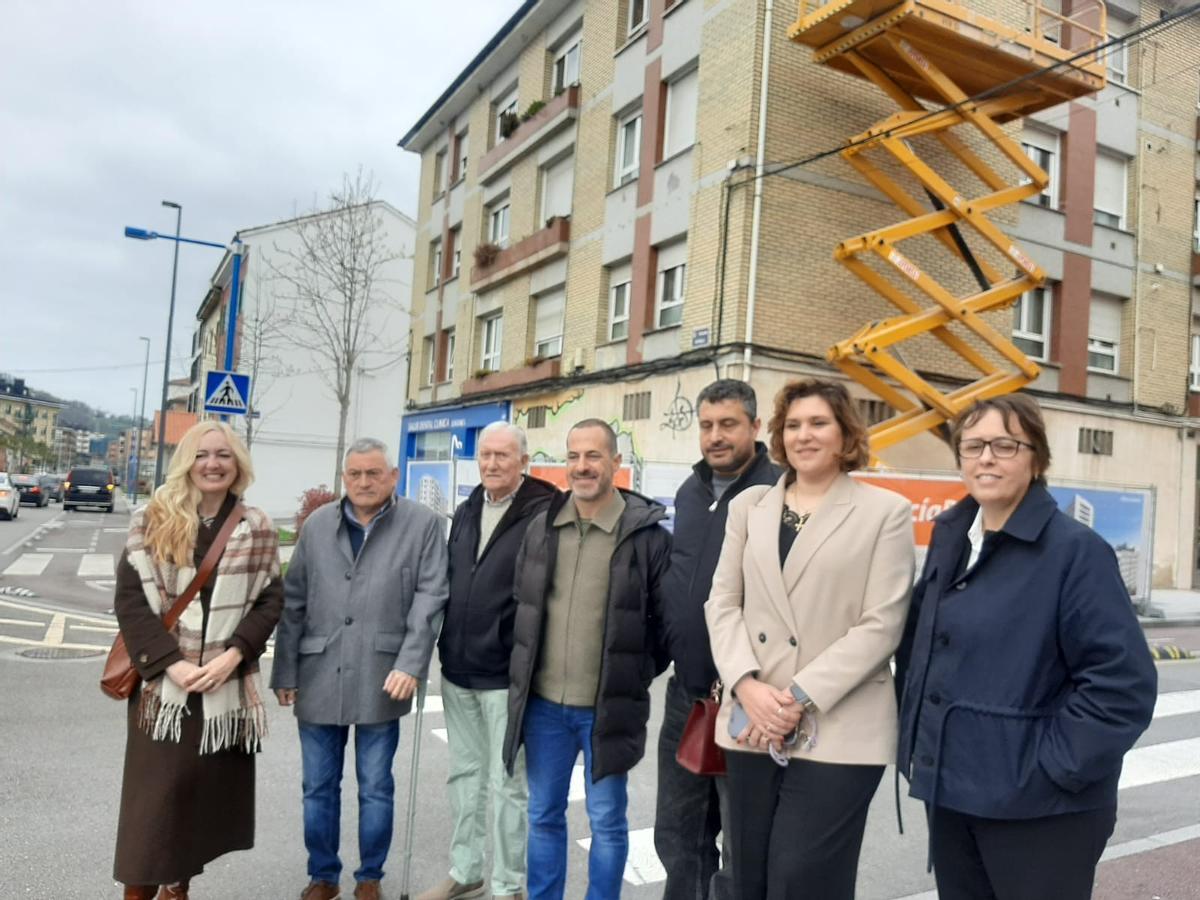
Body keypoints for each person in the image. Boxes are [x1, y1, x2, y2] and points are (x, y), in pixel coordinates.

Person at [896, 393, 1157, 900]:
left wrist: (1050, 769)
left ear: (1035, 458)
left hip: (1041, 811)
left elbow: (1122, 687)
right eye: (972, 446)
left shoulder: (1075, 553)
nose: (985, 458)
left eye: (1004, 445)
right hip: (952, 793)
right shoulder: (953, 540)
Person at [705, 377, 915, 900]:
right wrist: (748, 687)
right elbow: (722, 603)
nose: (804, 435)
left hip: (839, 724)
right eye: (793, 424)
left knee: (803, 878)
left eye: (819, 423)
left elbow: (882, 623)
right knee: (747, 876)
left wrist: (796, 697)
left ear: (845, 435)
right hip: (753, 720)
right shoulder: (748, 506)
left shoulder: (884, 512)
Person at [271, 437, 450, 900]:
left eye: (375, 473)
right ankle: (323, 876)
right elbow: (293, 601)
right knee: (318, 787)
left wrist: (412, 662)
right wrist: (284, 672)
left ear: (392, 476)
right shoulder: (316, 526)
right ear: (344, 478)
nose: (365, 482)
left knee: (375, 787)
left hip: (384, 674)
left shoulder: (423, 524)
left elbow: (431, 597)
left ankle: (370, 877)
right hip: (317, 670)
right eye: (356, 474)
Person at [502, 418, 671, 900]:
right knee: (543, 816)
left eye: (593, 456)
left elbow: (662, 626)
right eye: (574, 456)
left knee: (607, 822)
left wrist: (634, 672)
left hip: (607, 709)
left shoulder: (646, 537)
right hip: (544, 710)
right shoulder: (541, 528)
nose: (582, 466)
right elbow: (523, 604)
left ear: (616, 463)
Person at [113, 420, 283, 900]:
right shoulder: (153, 519)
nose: (213, 464)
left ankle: (178, 888)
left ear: (238, 465)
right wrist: (173, 664)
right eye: (203, 454)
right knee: (152, 809)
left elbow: (271, 599)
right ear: (187, 461)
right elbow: (131, 603)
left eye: (223, 456)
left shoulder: (257, 525)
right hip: (163, 690)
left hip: (222, 685)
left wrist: (235, 654)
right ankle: (143, 892)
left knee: (195, 804)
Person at [418, 422, 557, 900]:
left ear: (523, 460)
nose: (492, 464)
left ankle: (507, 885)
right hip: (457, 670)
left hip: (506, 675)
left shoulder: (544, 514)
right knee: (464, 777)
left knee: (507, 784)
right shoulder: (467, 508)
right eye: (485, 455)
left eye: (502, 456)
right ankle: (467, 870)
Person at [656, 380, 779, 900]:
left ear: (755, 426)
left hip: (745, 700)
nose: (715, 436)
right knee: (679, 835)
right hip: (686, 696)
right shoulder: (689, 492)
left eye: (728, 424)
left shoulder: (779, 493)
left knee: (745, 844)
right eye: (706, 425)